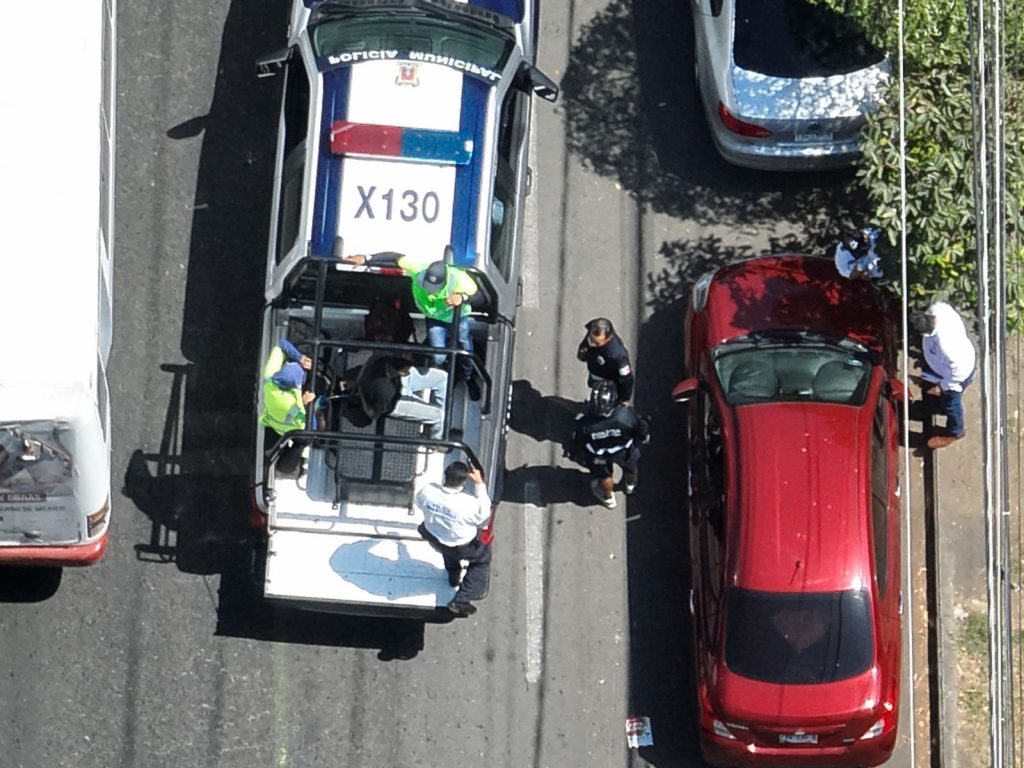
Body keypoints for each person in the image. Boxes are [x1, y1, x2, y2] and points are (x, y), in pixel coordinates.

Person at [344, 251, 481, 400]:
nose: (430, 292)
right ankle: (446, 371)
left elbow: (480, 297)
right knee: (439, 357)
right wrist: (367, 259)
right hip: (434, 318)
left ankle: (466, 377)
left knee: (465, 347)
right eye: (427, 286)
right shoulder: (418, 269)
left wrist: (462, 297)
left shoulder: (461, 280)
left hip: (457, 318)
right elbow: (395, 257)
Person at [416, 461, 492, 617]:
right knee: (481, 561)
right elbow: (484, 514)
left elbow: (419, 503)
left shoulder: (427, 492)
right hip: (462, 544)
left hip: (434, 536)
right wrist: (480, 484)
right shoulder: (468, 504)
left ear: (445, 476)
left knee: (447, 552)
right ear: (464, 482)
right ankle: (460, 601)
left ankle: (453, 575)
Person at [568, 381, 649, 509]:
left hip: (599, 456)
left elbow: (577, 441)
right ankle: (630, 486)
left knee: (604, 476)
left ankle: (609, 498)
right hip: (625, 451)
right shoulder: (625, 417)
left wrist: (573, 453)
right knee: (631, 468)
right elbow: (641, 429)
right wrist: (643, 438)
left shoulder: (585, 425)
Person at [910, 301, 977, 449]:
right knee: (941, 397)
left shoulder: (946, 345)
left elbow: (959, 372)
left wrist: (943, 386)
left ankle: (956, 431)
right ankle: (938, 405)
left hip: (958, 375)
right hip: (943, 369)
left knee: (951, 403)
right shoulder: (937, 309)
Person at [260, 339, 316, 435]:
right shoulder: (270, 378)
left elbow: (282, 344)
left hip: (276, 423)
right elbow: (312, 431)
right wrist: (307, 404)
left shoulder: (270, 376)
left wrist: (299, 357)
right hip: (278, 426)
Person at [576, 317, 634, 404]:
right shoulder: (593, 328)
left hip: (609, 382)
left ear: (608, 338)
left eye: (597, 343)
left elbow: (627, 379)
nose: (592, 344)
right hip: (595, 374)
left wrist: (624, 398)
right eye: (591, 340)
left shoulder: (618, 355)